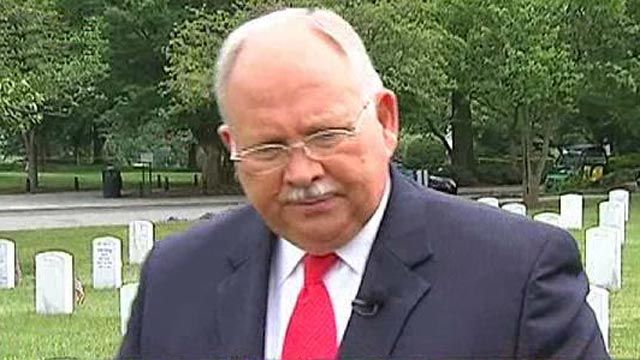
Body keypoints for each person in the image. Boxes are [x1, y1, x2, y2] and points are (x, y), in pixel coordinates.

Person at [118, 7, 609, 360]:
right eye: (268, 148)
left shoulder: (517, 277)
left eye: (325, 135)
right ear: (232, 146)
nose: (302, 172)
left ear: (385, 120)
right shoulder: (177, 277)